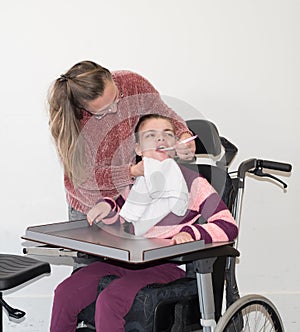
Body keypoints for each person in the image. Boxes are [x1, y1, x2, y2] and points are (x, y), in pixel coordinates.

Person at [49, 114, 238, 332]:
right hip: (123, 260)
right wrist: (106, 209)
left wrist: (191, 232)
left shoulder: (194, 183)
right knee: (65, 292)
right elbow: (121, 224)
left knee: (110, 301)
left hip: (164, 266)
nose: (161, 140)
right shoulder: (136, 185)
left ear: (176, 145)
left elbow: (228, 226)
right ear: (138, 149)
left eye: (168, 135)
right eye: (151, 135)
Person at [48, 60, 195, 225]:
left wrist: (183, 134)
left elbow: (163, 113)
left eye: (117, 98)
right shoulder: (72, 124)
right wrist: (131, 172)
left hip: (127, 198)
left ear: (112, 78)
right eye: (102, 112)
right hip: (90, 207)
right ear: (82, 108)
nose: (115, 110)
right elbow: (86, 179)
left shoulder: (132, 84)